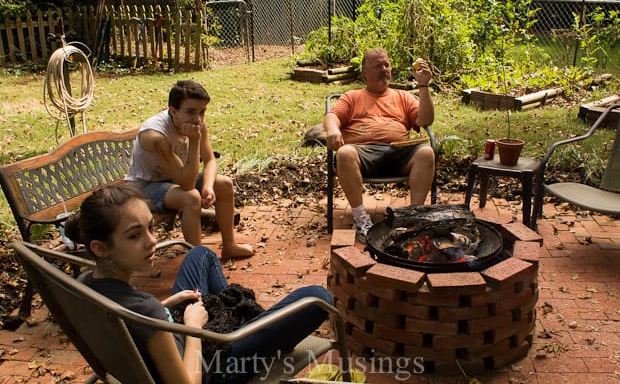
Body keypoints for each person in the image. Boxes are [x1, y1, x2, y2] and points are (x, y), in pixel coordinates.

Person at [64, 184, 333, 384]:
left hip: (170, 332)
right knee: (318, 297)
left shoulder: (84, 284)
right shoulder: (148, 311)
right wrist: (193, 328)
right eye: (135, 236)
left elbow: (131, 321)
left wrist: (167, 306)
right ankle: (255, 331)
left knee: (201, 254)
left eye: (151, 228)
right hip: (212, 366)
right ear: (101, 248)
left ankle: (257, 328)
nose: (151, 241)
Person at [125, 80, 253, 259]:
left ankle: (230, 246)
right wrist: (193, 142)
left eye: (202, 112)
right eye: (191, 112)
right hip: (143, 186)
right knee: (191, 197)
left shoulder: (197, 123)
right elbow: (187, 183)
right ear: (173, 111)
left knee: (224, 184)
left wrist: (208, 186)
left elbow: (210, 161)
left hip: (173, 180)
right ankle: (198, 260)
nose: (198, 119)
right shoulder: (155, 136)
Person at [323, 48, 435, 243]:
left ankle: (413, 218)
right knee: (344, 153)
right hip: (363, 153)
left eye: (387, 65)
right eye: (378, 66)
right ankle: (361, 220)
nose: (384, 69)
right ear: (365, 72)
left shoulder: (403, 96)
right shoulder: (353, 96)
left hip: (398, 151)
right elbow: (332, 116)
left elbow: (426, 120)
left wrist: (423, 86)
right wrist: (333, 130)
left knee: (426, 153)